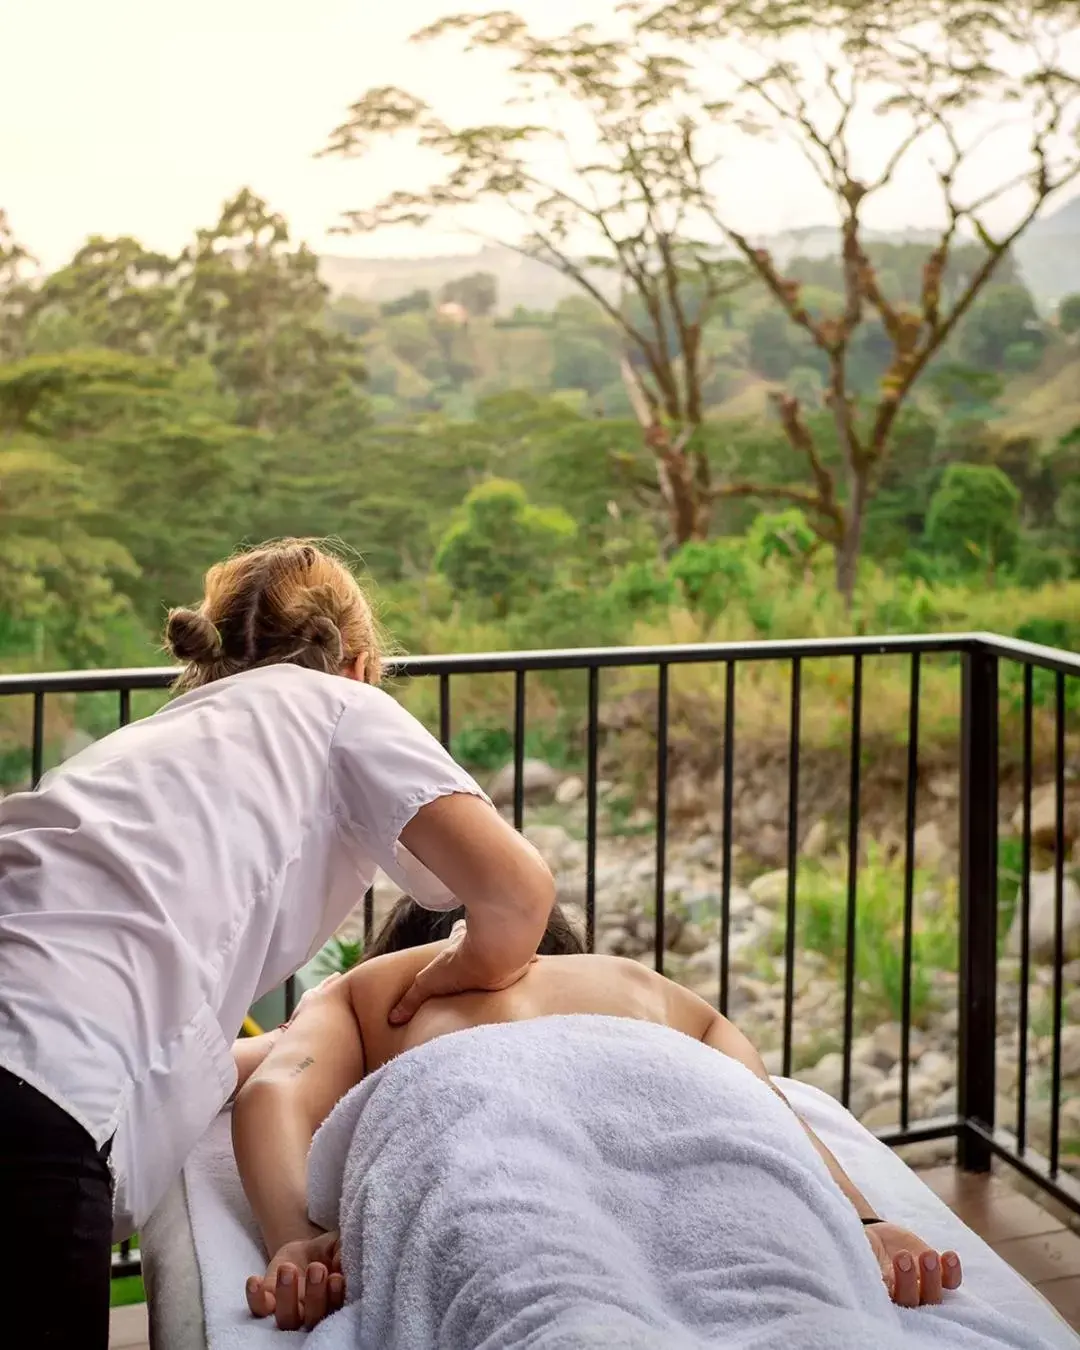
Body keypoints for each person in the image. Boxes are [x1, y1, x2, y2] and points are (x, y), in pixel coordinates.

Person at [0, 539, 554, 1349]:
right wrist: (464, 968)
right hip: (41, 1082)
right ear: (361, 664)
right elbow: (515, 893)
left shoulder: (152, 745)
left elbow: (189, 1049)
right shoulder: (340, 707)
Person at [234, 898, 964, 1334]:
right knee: (784, 1300)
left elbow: (273, 1090)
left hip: (482, 1112)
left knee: (556, 1312)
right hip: (680, 1090)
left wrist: (294, 1240)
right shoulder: (641, 983)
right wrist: (864, 1222)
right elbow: (756, 1110)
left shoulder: (375, 985)